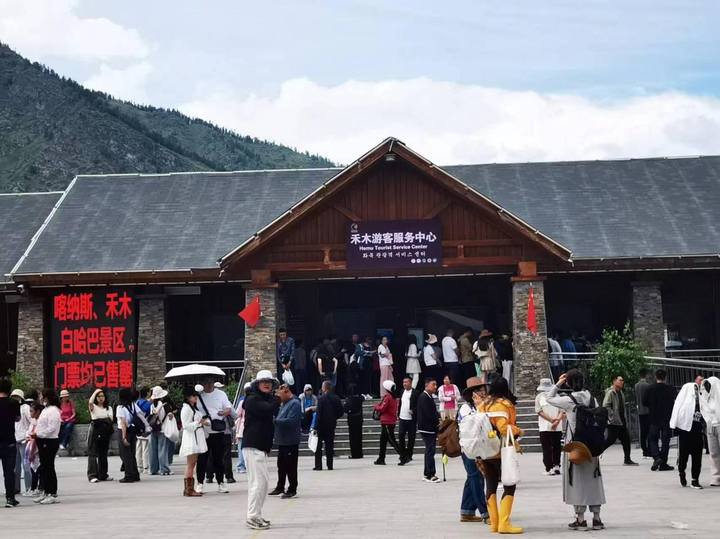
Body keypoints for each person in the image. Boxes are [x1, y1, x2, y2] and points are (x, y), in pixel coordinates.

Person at [546, 370, 606, 531]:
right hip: (592, 446)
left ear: (569, 383)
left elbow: (548, 398)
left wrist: (558, 383)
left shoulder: (568, 400)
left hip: (576, 447)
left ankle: (580, 519)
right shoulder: (593, 399)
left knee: (576, 481)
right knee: (594, 481)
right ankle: (597, 518)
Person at [477, 377, 523, 534]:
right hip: (501, 450)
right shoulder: (503, 404)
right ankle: (504, 524)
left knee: (490, 484)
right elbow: (504, 429)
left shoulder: (483, 404)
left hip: (485, 451)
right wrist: (518, 430)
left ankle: (494, 524)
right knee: (510, 484)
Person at [242, 370, 280, 530]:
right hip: (253, 445)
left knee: (261, 483)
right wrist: (278, 398)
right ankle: (252, 516)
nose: (266, 384)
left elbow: (271, 407)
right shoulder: (251, 399)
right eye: (263, 381)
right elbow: (267, 409)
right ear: (257, 384)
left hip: (261, 447)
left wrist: (276, 398)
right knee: (258, 483)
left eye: (269, 382)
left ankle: (256, 514)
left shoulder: (265, 399)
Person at [457, 376, 490, 523]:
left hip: (481, 446)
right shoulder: (466, 408)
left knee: (472, 477)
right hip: (469, 448)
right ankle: (485, 512)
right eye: (479, 391)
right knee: (476, 478)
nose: (482, 393)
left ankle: (467, 511)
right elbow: (473, 424)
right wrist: (480, 407)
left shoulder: (482, 405)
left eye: (483, 390)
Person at [196, 377, 236, 494]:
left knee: (219, 458)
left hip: (218, 430)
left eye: (210, 382)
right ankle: (200, 483)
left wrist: (223, 412)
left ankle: (221, 482)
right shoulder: (199, 395)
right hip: (203, 431)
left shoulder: (221, 394)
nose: (208, 385)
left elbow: (228, 408)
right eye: (206, 382)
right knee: (202, 459)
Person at [269, 383, 302, 498]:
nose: (278, 397)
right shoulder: (284, 404)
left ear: (286, 391)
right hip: (282, 441)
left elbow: (291, 421)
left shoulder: (295, 403)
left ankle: (292, 488)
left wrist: (276, 421)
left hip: (290, 441)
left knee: (291, 466)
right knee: (281, 465)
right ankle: (280, 486)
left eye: (279, 394)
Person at [671, 381, 705, 489]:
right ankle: (682, 472)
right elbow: (677, 413)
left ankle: (695, 480)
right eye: (694, 389)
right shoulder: (683, 404)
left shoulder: (701, 401)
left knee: (697, 457)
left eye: (697, 389)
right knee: (683, 456)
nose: (696, 391)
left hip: (697, 432)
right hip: (685, 433)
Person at [643, 369, 676, 471]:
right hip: (667, 418)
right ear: (665, 377)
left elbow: (644, 402)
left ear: (655, 376)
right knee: (666, 441)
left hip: (654, 417)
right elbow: (674, 401)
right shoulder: (670, 388)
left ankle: (657, 457)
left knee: (652, 439)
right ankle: (663, 462)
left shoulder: (649, 388)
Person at [34, 388, 62, 504]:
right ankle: (45, 491)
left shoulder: (54, 411)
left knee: (49, 466)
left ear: (47, 397)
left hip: (49, 441)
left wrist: (39, 434)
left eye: (42, 396)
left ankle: (52, 493)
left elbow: (52, 428)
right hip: (41, 440)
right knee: (44, 467)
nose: (41, 398)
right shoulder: (46, 409)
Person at [179, 386, 208, 497]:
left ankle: (189, 488)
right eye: (193, 396)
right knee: (190, 464)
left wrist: (202, 422)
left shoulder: (193, 408)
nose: (196, 397)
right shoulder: (186, 409)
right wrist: (198, 422)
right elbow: (185, 425)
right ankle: (189, 489)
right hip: (191, 438)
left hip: (196, 436)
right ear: (187, 397)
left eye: (196, 395)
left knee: (192, 463)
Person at [602, 375, 638, 465]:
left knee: (626, 440)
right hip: (614, 422)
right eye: (620, 380)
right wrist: (612, 416)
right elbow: (605, 405)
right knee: (610, 441)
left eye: (623, 380)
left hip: (621, 421)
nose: (622, 382)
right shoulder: (610, 392)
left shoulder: (620, 392)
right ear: (614, 381)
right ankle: (595, 452)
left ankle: (627, 459)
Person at [206, 381, 236, 485]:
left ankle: (209, 476)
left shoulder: (206, 400)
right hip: (225, 430)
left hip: (210, 430)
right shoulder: (224, 399)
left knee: (210, 454)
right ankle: (229, 476)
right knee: (226, 454)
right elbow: (234, 414)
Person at [535, 378, 564, 475]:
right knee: (556, 446)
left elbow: (539, 411)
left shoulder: (539, 397)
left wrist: (552, 421)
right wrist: (556, 421)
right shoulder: (557, 396)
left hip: (544, 427)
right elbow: (562, 411)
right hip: (557, 426)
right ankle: (556, 465)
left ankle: (549, 467)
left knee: (547, 447)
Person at [312, 381, 343, 471]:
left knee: (318, 446)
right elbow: (341, 412)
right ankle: (330, 465)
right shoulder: (336, 398)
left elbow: (319, 414)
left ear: (324, 388)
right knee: (329, 445)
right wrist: (334, 417)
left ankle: (318, 465)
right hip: (331, 425)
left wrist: (315, 426)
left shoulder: (321, 398)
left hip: (321, 425)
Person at [87, 388, 114, 483]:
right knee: (93, 453)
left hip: (105, 432)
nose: (101, 398)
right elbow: (90, 402)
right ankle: (92, 475)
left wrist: (100, 419)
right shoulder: (93, 407)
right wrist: (95, 391)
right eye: (99, 396)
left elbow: (110, 419)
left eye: (102, 396)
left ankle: (103, 474)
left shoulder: (109, 408)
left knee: (103, 454)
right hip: (95, 430)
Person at [0, 378, 20, 508]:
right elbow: (17, 418)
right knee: (9, 472)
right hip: (9, 441)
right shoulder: (13, 402)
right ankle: (10, 498)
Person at [373, 380, 402, 465]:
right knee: (383, 440)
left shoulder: (388, 397)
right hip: (390, 421)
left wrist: (376, 406)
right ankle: (381, 458)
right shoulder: (393, 397)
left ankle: (404, 455)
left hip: (387, 421)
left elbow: (382, 408)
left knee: (392, 440)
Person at [417, 377, 440, 483]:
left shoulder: (428, 396)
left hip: (429, 428)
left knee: (430, 451)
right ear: (427, 385)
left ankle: (428, 473)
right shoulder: (424, 397)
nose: (435, 387)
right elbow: (428, 414)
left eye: (436, 385)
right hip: (427, 428)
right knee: (430, 451)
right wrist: (437, 421)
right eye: (433, 384)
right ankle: (430, 474)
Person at [116, 388, 141, 484]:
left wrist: (123, 437)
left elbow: (123, 423)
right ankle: (135, 474)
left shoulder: (120, 408)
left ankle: (129, 475)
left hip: (124, 431)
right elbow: (140, 414)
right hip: (132, 431)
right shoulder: (133, 405)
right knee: (132, 454)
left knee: (125, 454)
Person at [699, 376, 720, 486]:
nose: (706, 388)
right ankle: (716, 477)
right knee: (714, 453)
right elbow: (704, 411)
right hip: (711, 426)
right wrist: (708, 421)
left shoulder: (718, 395)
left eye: (708, 386)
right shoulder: (705, 397)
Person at [11, 389, 31, 497]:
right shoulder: (12, 408)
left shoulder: (25, 408)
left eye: (16, 397)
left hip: (24, 440)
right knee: (15, 466)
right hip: (15, 439)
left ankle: (29, 488)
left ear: (21, 398)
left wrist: (28, 434)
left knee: (26, 465)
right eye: (13, 396)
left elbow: (32, 421)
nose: (15, 398)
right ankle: (16, 488)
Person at [148, 385, 171, 475]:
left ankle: (153, 469)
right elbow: (163, 416)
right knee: (162, 450)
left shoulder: (151, 405)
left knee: (152, 450)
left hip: (153, 429)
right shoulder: (163, 405)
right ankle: (164, 469)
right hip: (161, 429)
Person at [398, 377, 419, 464]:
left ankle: (409, 454)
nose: (404, 384)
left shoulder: (415, 392)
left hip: (411, 419)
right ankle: (402, 454)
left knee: (411, 438)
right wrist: (398, 413)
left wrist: (413, 410)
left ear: (410, 383)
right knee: (401, 436)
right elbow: (400, 403)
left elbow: (418, 405)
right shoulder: (402, 391)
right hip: (402, 418)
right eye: (403, 382)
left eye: (406, 382)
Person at [635, 368, 652, 460]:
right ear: (646, 375)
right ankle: (649, 450)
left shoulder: (636, 386)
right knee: (649, 431)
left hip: (640, 411)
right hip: (648, 411)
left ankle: (644, 450)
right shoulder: (648, 386)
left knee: (643, 432)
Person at [344, 384, 365, 459]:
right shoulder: (360, 398)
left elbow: (345, 409)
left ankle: (354, 454)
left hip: (352, 420)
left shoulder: (348, 399)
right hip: (359, 419)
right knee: (359, 436)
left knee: (353, 437)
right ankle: (360, 453)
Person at [135, 387, 152, 474]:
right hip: (145, 427)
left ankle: (139, 466)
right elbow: (150, 414)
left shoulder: (136, 402)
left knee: (138, 447)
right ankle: (146, 467)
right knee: (145, 448)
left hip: (137, 427)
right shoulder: (147, 404)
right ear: (147, 393)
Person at [235, 382, 251, 474]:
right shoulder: (256, 400)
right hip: (251, 428)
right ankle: (246, 465)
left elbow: (237, 414)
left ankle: (241, 466)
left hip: (242, 427)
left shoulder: (243, 401)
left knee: (241, 448)